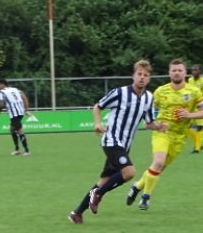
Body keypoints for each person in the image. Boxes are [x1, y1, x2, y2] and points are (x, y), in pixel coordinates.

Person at [68, 60, 167, 224]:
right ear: (133, 76)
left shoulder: (149, 98)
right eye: (139, 74)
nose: (142, 77)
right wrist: (98, 123)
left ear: (149, 79)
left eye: (145, 75)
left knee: (104, 181)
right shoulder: (120, 93)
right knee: (129, 172)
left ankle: (77, 213)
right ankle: (97, 195)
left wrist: (159, 127)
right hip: (111, 140)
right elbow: (98, 106)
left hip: (124, 146)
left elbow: (148, 121)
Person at [125, 59, 203, 211]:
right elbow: (146, 108)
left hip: (180, 137)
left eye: (180, 70)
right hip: (162, 132)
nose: (177, 73)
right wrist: (148, 122)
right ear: (169, 73)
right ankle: (145, 198)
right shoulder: (161, 91)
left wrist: (189, 115)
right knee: (158, 162)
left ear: (185, 72)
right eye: (174, 70)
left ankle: (137, 186)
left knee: (158, 168)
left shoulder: (194, 92)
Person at [0, 79, 31, 155]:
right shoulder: (15, 89)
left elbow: (1, 104)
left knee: (20, 131)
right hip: (20, 112)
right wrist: (27, 110)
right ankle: (17, 149)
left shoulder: (2, 92)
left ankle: (27, 151)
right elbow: (24, 98)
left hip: (14, 114)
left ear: (3, 84)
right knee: (12, 129)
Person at [187, 64, 203, 153]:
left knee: (199, 127)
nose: (194, 72)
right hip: (192, 107)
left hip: (200, 107)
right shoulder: (189, 80)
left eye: (196, 70)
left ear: (200, 71)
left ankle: (196, 149)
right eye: (193, 70)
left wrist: (202, 105)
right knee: (187, 127)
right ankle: (199, 144)